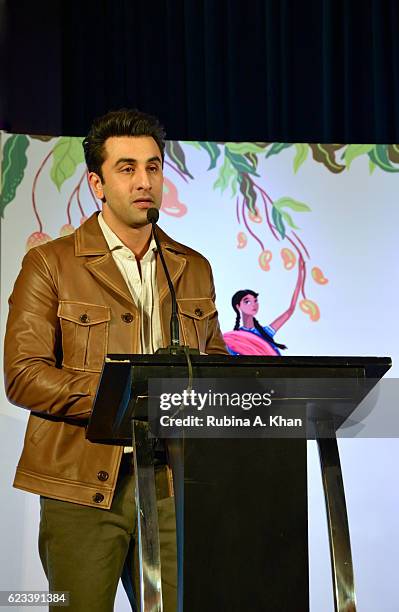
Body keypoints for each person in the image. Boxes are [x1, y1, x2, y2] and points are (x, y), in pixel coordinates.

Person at [4, 108, 228, 612]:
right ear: (96, 183)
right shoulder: (50, 262)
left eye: (153, 167)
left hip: (172, 482)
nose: (144, 181)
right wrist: (124, 397)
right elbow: (23, 375)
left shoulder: (192, 267)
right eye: (126, 168)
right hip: (82, 486)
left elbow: (214, 366)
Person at [223, 258, 304, 355]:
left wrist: (300, 276)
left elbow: (290, 310)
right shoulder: (234, 339)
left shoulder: (265, 332)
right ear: (238, 306)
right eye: (247, 301)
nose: (254, 304)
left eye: (255, 301)